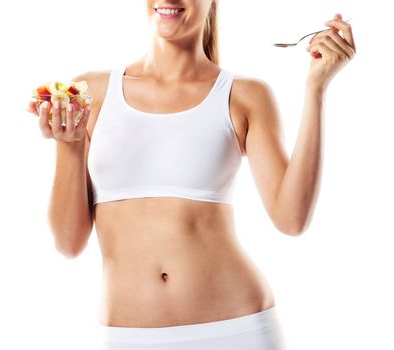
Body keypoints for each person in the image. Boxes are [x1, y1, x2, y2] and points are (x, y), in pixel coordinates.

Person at [26, 1, 355, 349]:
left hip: (236, 330)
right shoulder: (90, 93)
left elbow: (292, 219)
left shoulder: (245, 95)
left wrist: (315, 90)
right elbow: (68, 243)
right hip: (129, 337)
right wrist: (69, 144)